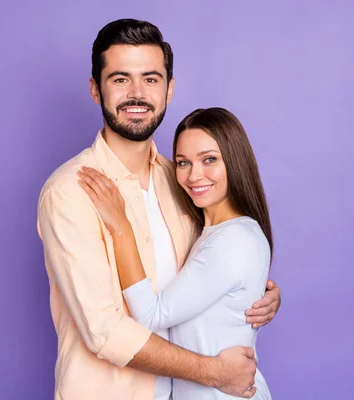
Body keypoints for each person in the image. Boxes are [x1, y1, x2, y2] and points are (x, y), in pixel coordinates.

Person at [37, 19, 281, 400]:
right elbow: (106, 331)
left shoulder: (182, 181)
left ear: (169, 89)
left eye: (150, 79)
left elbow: (208, 268)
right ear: (95, 90)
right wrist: (215, 372)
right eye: (120, 79)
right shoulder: (70, 192)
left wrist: (254, 294)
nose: (137, 93)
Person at [78, 107, 273, 399]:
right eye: (183, 162)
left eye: (209, 160)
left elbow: (150, 316)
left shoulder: (234, 239)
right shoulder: (208, 231)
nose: (195, 175)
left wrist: (121, 227)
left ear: (235, 161)